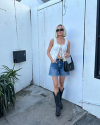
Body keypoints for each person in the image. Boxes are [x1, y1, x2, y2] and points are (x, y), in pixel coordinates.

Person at [47, 24, 70, 116]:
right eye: (57, 30)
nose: (59, 31)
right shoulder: (53, 40)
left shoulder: (67, 42)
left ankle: (59, 101)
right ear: (56, 31)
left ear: (63, 30)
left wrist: (67, 55)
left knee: (61, 84)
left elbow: (68, 53)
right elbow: (48, 51)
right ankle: (57, 106)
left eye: (61, 29)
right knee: (55, 84)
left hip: (63, 63)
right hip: (54, 64)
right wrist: (52, 59)